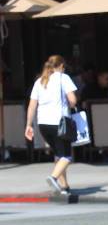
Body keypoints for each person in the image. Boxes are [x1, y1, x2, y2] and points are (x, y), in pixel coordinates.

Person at [25, 55, 77, 195]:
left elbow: (31, 106)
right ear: (60, 66)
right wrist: (69, 104)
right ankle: (53, 177)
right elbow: (73, 100)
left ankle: (64, 187)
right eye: (64, 66)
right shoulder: (63, 78)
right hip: (59, 123)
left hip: (43, 124)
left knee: (59, 155)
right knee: (67, 156)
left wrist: (29, 125)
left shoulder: (39, 81)